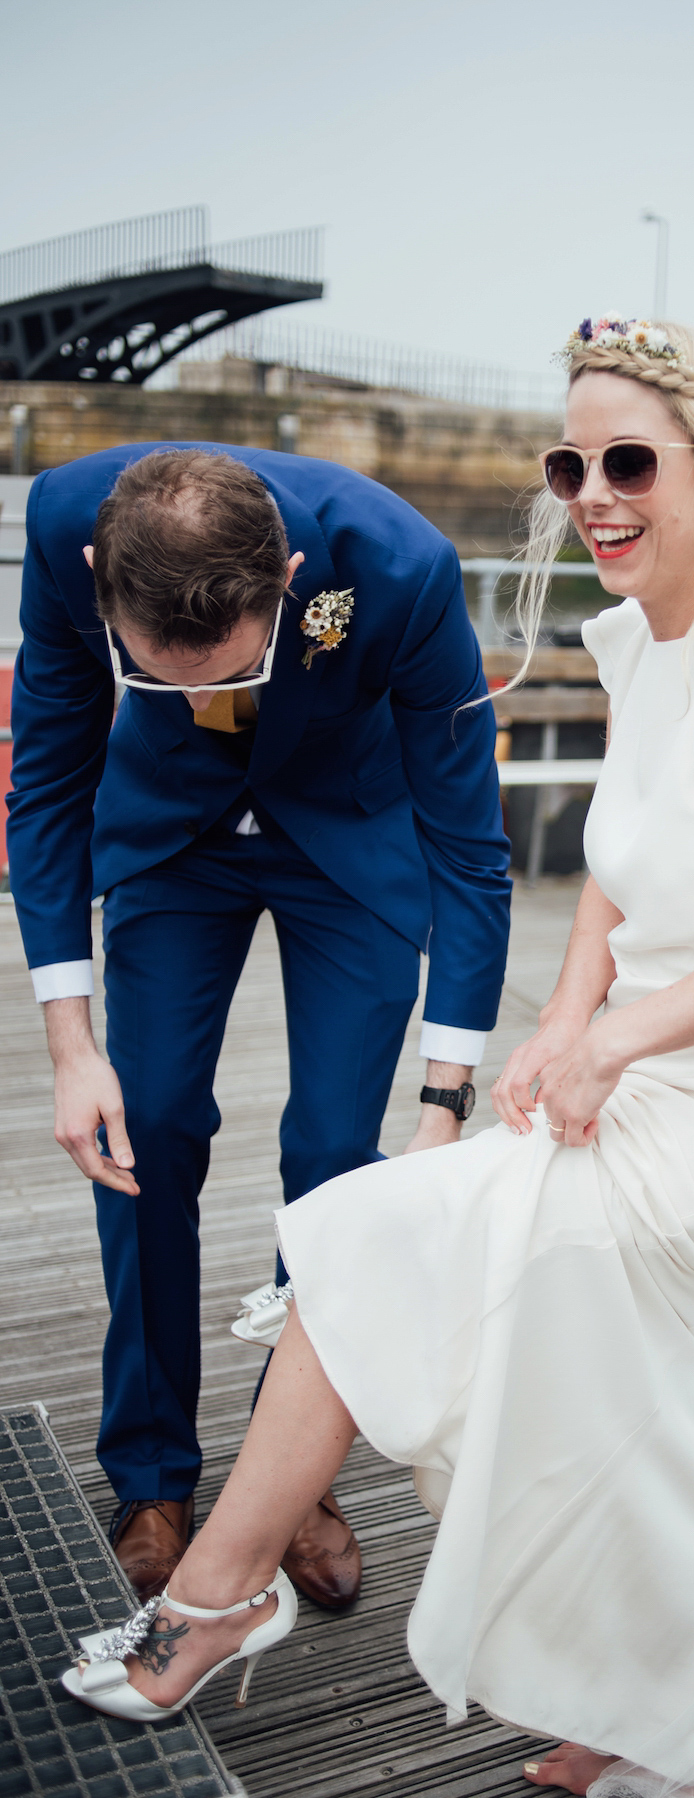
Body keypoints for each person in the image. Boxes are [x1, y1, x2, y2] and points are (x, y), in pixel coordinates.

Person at [61, 320, 694, 1798]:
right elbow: (622, 885)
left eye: (629, 460)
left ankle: (214, 1600)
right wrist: (568, 1022)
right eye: (569, 460)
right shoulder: (649, 639)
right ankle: (637, 1707)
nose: (592, 490)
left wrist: (619, 1037)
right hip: (634, 1077)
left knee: (365, 1238)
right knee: (614, 1412)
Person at [8, 444, 509, 1607]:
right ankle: (149, 1475)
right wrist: (70, 1046)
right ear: (98, 578)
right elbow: (46, 776)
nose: (191, 694)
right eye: (162, 675)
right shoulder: (61, 522)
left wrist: (445, 1105)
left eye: (215, 670)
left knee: (336, 1156)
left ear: (287, 577)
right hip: (169, 839)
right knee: (150, 1133)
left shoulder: (404, 568)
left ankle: (295, 1469)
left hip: (347, 835)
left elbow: (475, 851)